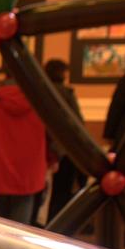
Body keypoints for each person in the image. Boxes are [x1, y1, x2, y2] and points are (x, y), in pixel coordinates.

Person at [0, 69, 50, 227]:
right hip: (30, 168)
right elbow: (54, 132)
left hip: (0, 164)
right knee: (21, 225)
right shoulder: (40, 101)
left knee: (1, 219)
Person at [44, 58, 85, 223]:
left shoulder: (39, 91)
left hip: (41, 148)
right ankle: (59, 224)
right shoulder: (67, 94)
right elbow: (77, 123)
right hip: (64, 148)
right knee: (61, 193)